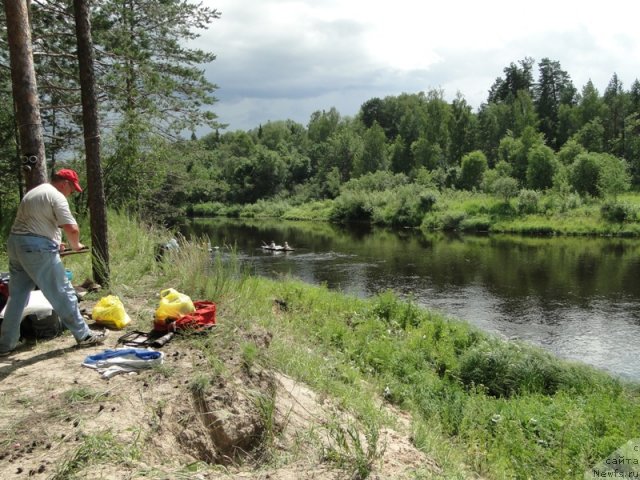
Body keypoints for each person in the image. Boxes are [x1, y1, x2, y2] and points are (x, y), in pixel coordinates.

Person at [0, 169, 106, 357]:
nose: (71, 193)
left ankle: (5, 344)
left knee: (16, 297)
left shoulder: (35, 192)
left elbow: (34, 225)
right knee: (63, 291)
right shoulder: (56, 195)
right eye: (72, 189)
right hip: (36, 248)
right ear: (64, 183)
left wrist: (54, 242)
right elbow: (72, 228)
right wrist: (75, 246)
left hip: (16, 244)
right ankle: (84, 335)